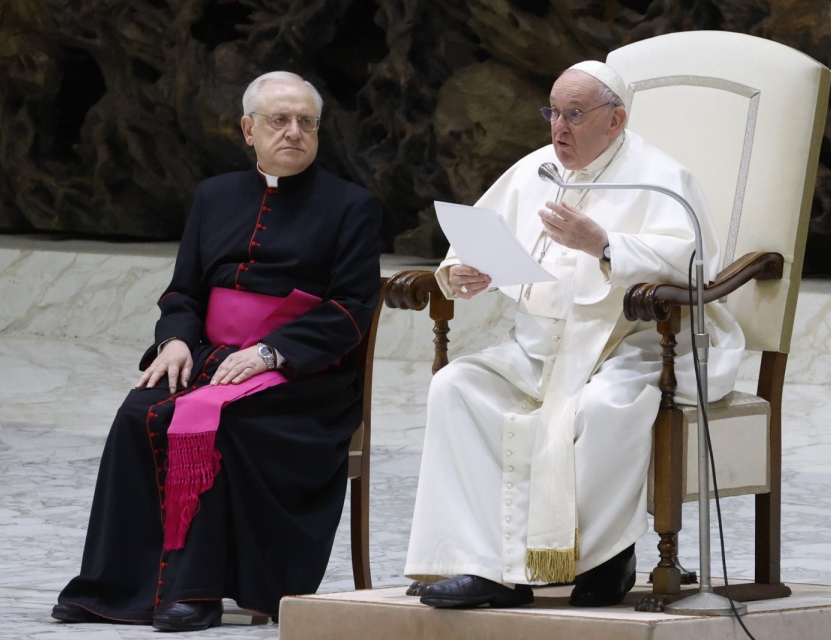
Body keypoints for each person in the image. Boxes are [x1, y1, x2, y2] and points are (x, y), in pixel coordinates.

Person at [404, 60, 744, 609]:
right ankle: (486, 567)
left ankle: (606, 559)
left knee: (603, 409)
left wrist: (605, 245)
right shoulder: (536, 169)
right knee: (457, 389)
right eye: (554, 112)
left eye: (575, 114)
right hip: (537, 348)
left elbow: (695, 263)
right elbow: (479, 236)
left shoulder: (662, 176)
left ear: (616, 120)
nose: (559, 128)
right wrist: (462, 271)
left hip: (629, 346)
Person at [52, 71, 383, 630]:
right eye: (279, 120)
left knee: (221, 422)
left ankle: (198, 592)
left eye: (308, 122)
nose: (295, 132)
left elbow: (350, 308)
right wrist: (175, 338)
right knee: (138, 413)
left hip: (304, 379)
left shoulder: (353, 206)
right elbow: (184, 291)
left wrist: (272, 353)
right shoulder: (214, 196)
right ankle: (114, 587)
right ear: (248, 129)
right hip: (210, 358)